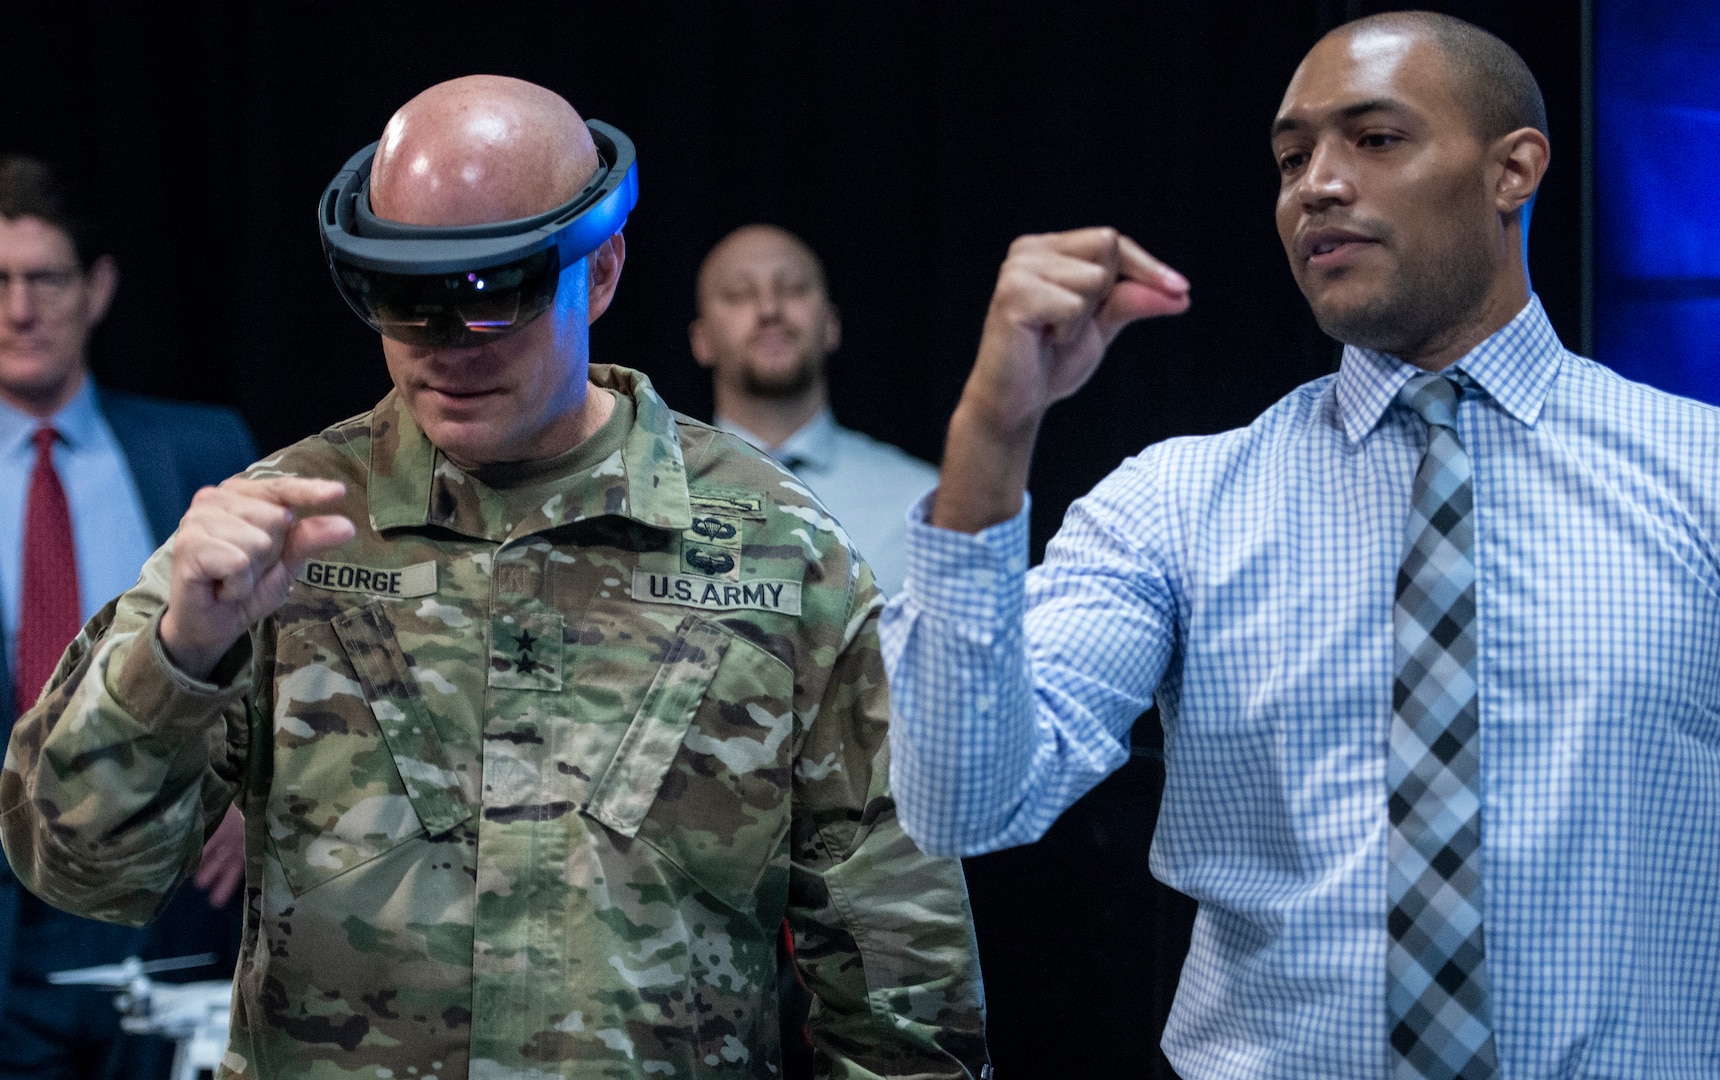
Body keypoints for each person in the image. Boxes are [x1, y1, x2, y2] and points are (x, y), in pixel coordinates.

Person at [1, 78, 988, 1079]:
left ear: (599, 272)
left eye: (491, 295)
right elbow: (75, 870)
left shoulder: (776, 549)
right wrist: (178, 654)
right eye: (401, 298)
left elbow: (898, 975)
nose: (441, 349)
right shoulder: (282, 527)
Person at [883, 11, 1719, 1080]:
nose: (1315, 186)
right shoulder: (1179, 501)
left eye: (1373, 140)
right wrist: (993, 439)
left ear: (1512, 170)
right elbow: (963, 801)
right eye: (1290, 157)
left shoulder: (1701, 476)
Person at [0, 155, 255, 1080]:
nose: (20, 308)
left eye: (45, 278)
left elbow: (265, 653)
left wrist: (243, 797)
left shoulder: (201, 449)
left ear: (96, 288)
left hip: (168, 898)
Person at [691, 225, 938, 595]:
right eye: (739, 295)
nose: (769, 309)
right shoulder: (652, 494)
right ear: (701, 339)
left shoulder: (923, 505)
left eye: (793, 289)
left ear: (832, 324)